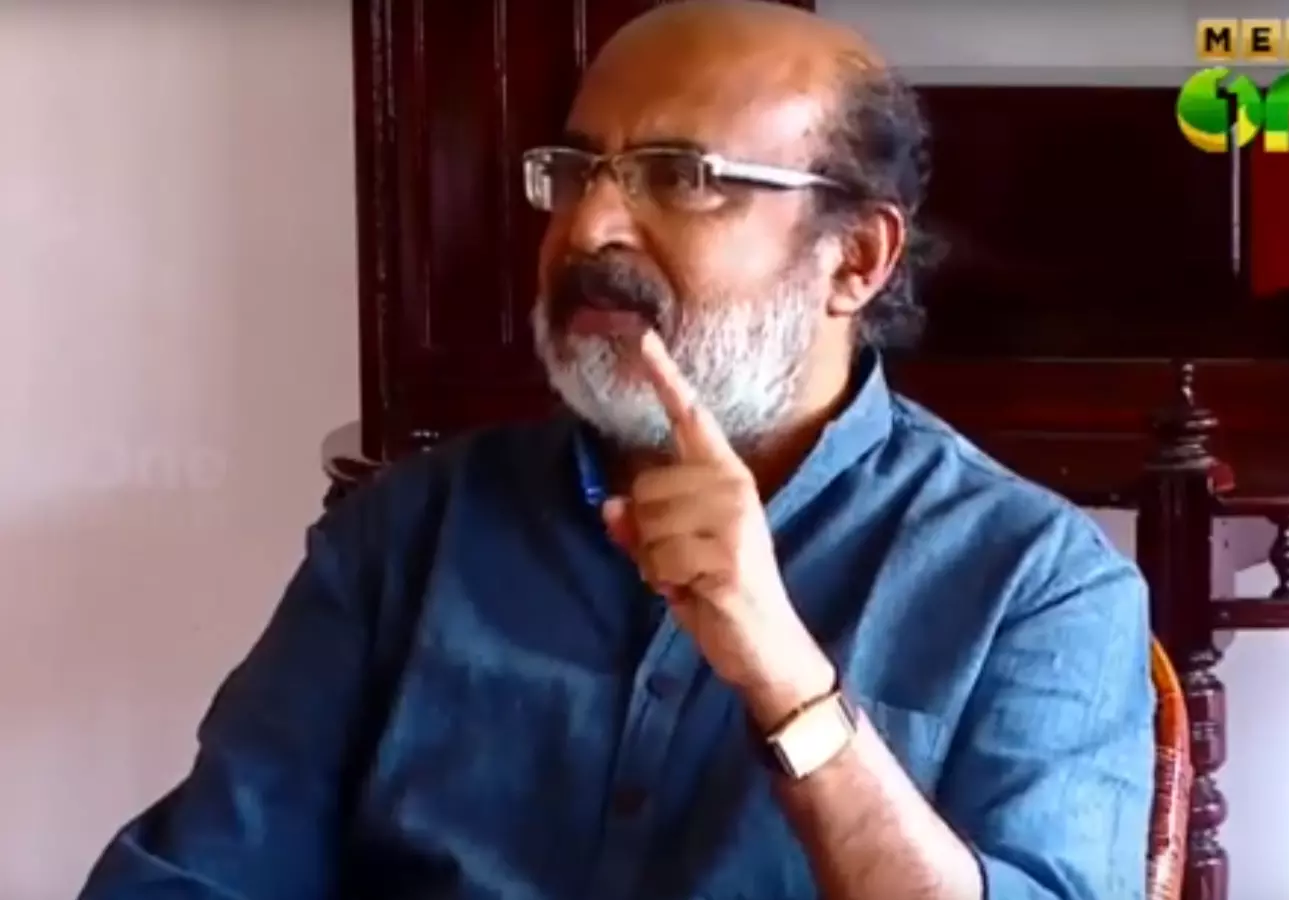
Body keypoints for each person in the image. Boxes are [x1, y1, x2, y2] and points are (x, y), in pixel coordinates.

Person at [77, 2, 1154, 898]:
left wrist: (788, 684)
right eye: (576, 170)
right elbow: (192, 876)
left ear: (854, 260)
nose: (588, 229)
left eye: (682, 176)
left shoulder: (1037, 584)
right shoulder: (408, 535)